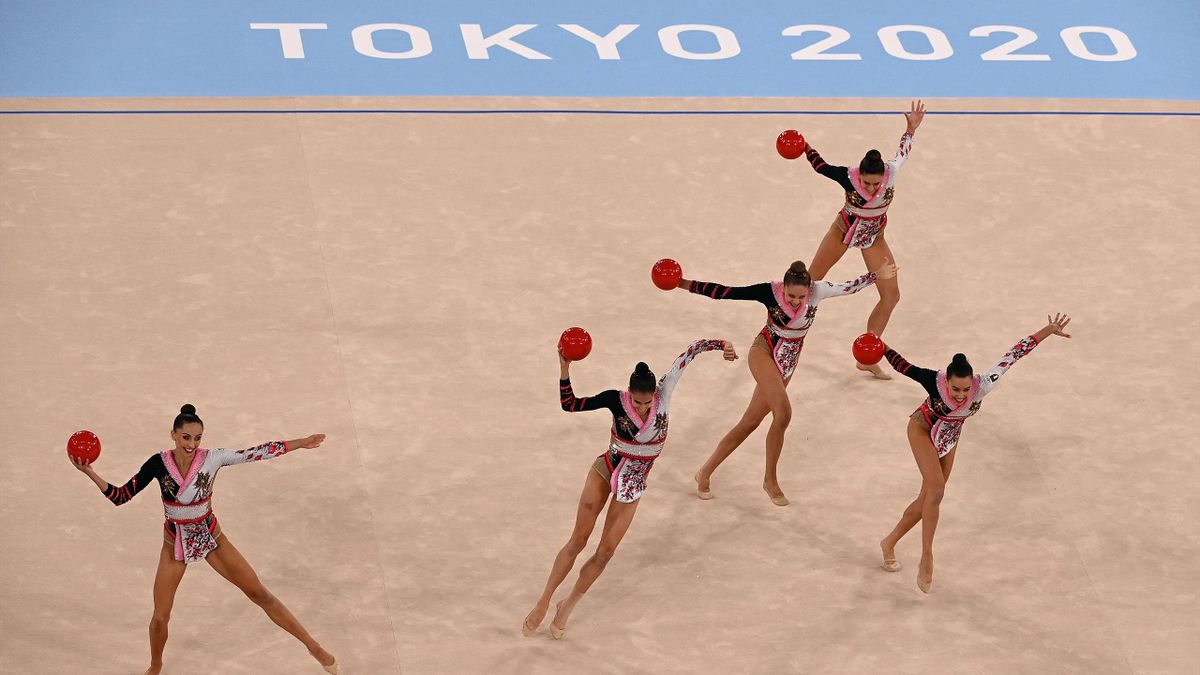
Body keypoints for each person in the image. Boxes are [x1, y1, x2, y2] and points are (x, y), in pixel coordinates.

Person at [70, 404, 339, 674]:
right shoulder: (157, 463)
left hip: (210, 536)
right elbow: (121, 496)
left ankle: (313, 647)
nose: (192, 444)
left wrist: (300, 443)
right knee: (160, 618)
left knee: (260, 593)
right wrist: (90, 473)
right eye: (186, 437)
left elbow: (258, 452)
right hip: (174, 543)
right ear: (173, 434)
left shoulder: (212, 459)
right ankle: (155, 666)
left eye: (197, 438)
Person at [523, 338, 738, 639]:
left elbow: (689, 353)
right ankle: (543, 600)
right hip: (606, 469)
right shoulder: (615, 399)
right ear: (629, 394)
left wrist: (722, 344)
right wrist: (564, 368)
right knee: (579, 540)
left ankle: (567, 605)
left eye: (647, 401)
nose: (642, 406)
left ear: (654, 394)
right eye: (637, 402)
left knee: (606, 551)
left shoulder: (664, 393)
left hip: (634, 483)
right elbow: (570, 405)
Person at [676, 258, 897, 505]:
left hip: (788, 362)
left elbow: (849, 286)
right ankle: (770, 480)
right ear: (784, 287)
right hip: (763, 352)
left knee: (749, 422)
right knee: (783, 414)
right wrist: (683, 283)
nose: (795, 301)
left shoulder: (818, 290)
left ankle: (705, 472)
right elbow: (726, 292)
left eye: (801, 297)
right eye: (791, 295)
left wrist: (876, 275)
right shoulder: (769, 291)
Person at [877, 314, 1072, 592]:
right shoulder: (934, 380)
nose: (960, 395)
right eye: (955, 389)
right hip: (922, 429)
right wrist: (879, 345)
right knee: (937, 492)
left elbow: (1015, 353)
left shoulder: (983, 384)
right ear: (947, 382)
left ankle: (890, 542)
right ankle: (927, 557)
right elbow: (903, 366)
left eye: (965, 389)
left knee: (927, 500)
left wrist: (1049, 330)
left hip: (949, 437)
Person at [803, 100, 926, 379]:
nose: (871, 189)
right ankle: (786, 330)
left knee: (891, 295)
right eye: (867, 183)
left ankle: (868, 354)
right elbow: (821, 167)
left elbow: (903, 152)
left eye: (875, 184)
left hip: (873, 237)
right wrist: (806, 147)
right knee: (808, 284)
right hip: (842, 232)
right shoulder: (848, 176)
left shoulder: (891, 172)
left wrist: (911, 130)